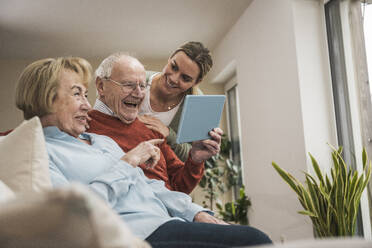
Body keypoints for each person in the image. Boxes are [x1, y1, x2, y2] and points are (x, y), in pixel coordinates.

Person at [15, 56, 272, 248]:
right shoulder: (37, 151)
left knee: (255, 238)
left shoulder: (102, 140)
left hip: (169, 222)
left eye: (142, 86)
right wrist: (127, 162)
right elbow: (70, 216)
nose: (85, 103)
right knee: (253, 241)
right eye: (77, 94)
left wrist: (196, 211)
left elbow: (156, 185)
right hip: (136, 235)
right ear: (47, 98)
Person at [87, 53, 221, 194]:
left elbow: (177, 186)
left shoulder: (151, 129)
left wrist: (195, 159)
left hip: (169, 211)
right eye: (128, 85)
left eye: (142, 86)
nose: (139, 94)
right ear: (101, 86)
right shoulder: (83, 128)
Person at [139, 41, 211, 162]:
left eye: (185, 78)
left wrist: (168, 135)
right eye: (173, 67)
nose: (173, 78)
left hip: (161, 176)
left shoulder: (197, 104)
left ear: (196, 82)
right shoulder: (137, 79)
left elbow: (192, 156)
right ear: (170, 58)